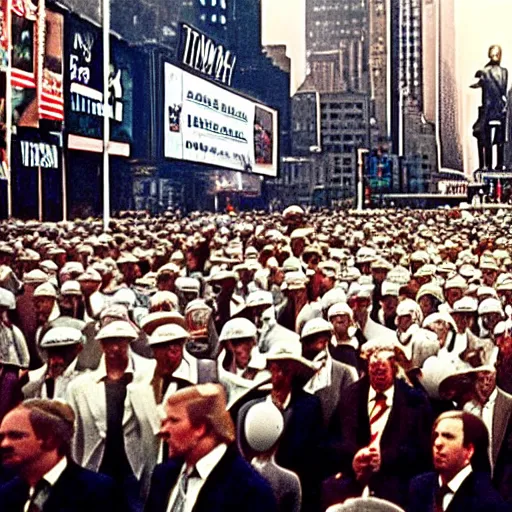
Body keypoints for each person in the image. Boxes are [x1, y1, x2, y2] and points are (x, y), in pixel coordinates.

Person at [324, 339, 432, 510]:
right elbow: (331, 443)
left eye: (383, 372)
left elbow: (424, 453)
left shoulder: (415, 401)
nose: (377, 376)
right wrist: (353, 459)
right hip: (352, 487)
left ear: (394, 368)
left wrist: (386, 458)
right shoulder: (350, 396)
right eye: (373, 371)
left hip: (397, 490)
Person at [144, 383, 278, 512]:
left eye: (174, 421)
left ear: (200, 428)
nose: (163, 430)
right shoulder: (163, 475)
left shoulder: (249, 491)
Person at [0, 399, 123, 512]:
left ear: (51, 439)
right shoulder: (6, 494)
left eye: (16, 436)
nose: (4, 444)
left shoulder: (98, 491)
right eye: (1, 438)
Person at [408, 411, 509, 512]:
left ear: (469, 450)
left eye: (448, 436)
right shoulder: (419, 486)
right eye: (436, 435)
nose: (437, 443)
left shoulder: (488, 503)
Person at [471, 45, 508, 171]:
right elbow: (503, 90)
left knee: (488, 139)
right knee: (499, 139)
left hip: (488, 110)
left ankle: (488, 165)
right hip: (499, 110)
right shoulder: (504, 72)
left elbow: (478, 84)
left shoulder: (484, 72)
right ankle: (498, 164)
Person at [22, 326, 84, 400]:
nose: (55, 359)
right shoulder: (33, 388)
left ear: (78, 348)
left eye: (62, 351)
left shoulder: (86, 379)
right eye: (52, 352)